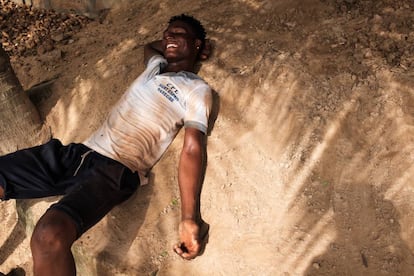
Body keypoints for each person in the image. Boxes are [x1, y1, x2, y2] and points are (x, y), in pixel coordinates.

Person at [0, 14, 213, 275]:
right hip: (79, 154)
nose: (168, 37)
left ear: (198, 44)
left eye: (178, 34)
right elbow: (151, 47)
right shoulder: (154, 65)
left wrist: (189, 218)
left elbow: (192, 149)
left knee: (48, 234)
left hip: (116, 169)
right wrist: (175, 42)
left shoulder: (196, 90)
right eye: (166, 33)